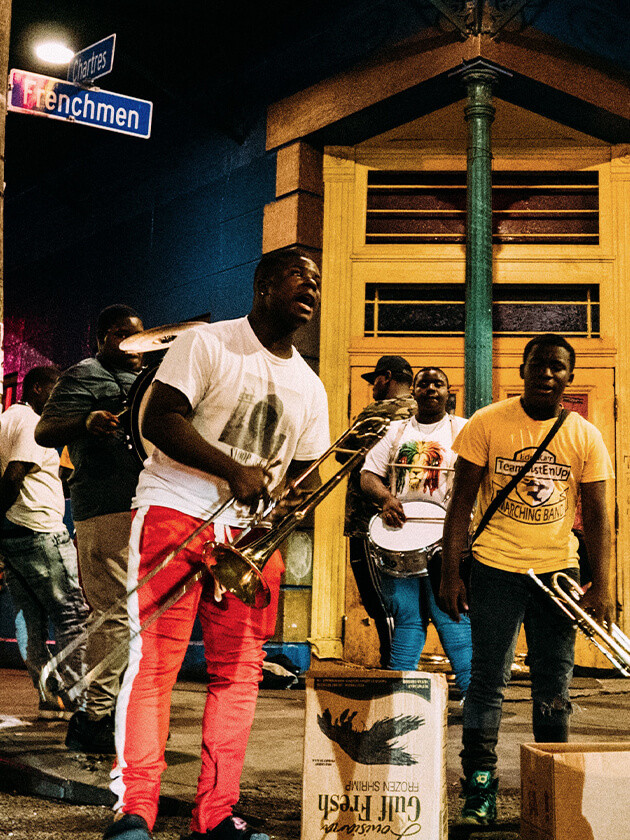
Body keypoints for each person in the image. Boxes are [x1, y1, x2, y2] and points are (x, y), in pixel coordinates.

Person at [104, 248, 330, 840]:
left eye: (317, 282)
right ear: (261, 285)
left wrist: (306, 495)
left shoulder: (311, 384)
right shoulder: (206, 344)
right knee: (156, 665)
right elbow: (160, 420)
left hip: (250, 537)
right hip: (176, 511)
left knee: (239, 675)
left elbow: (302, 476)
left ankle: (217, 814)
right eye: (297, 276)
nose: (310, 287)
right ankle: (136, 808)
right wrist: (234, 469)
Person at [440, 334, 614, 826]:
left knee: (553, 684)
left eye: (558, 367)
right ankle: (479, 789)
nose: (547, 374)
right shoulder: (488, 422)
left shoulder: (585, 436)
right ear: (522, 369)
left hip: (557, 572)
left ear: (569, 378)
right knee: (487, 681)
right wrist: (452, 572)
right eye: (538, 365)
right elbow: (460, 507)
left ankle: (550, 785)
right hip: (495, 567)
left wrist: (603, 585)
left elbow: (600, 516)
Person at [35, 304, 145, 752]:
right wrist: (86, 421)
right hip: (103, 508)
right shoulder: (85, 374)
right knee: (116, 617)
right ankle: (93, 718)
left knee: (132, 618)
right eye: (122, 335)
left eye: (140, 336)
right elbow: (45, 430)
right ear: (101, 338)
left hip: (139, 507)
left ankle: (114, 714)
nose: (134, 345)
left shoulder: (143, 379)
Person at [360, 367, 472, 692]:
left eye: (438, 383)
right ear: (414, 391)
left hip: (445, 540)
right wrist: (385, 499)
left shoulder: (461, 430)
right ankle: (398, 697)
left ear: (449, 393)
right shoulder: (395, 431)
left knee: (450, 616)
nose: (431, 388)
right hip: (400, 535)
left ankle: (473, 699)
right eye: (424, 383)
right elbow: (368, 475)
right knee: (407, 618)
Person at [0, 366, 89, 719]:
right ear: (37, 388)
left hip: (13, 535)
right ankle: (80, 699)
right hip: (39, 531)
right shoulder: (28, 422)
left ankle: (48, 695)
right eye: (55, 390)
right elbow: (14, 475)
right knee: (72, 614)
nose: (59, 399)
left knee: (30, 619)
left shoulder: (6, 419)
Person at [340, 355, 417, 666]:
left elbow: (342, 455)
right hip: (412, 522)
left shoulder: (377, 412)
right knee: (406, 598)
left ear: (386, 377)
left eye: (375, 379)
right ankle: (402, 662)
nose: (373, 386)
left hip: (367, 521)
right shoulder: (427, 413)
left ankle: (391, 665)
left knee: (377, 598)